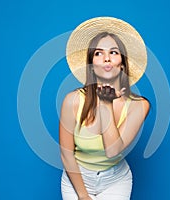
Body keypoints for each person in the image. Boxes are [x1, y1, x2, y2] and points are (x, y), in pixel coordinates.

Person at [59, 17, 150, 200]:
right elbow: (66, 155)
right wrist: (83, 196)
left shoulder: (139, 105)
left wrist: (106, 104)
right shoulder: (73, 100)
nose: (107, 58)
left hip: (115, 181)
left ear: (123, 64)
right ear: (92, 66)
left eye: (114, 52)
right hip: (77, 179)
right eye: (98, 53)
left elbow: (112, 151)